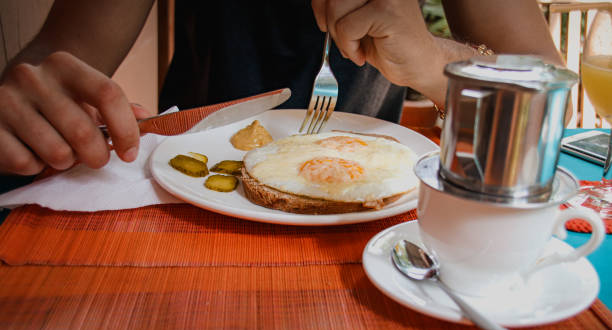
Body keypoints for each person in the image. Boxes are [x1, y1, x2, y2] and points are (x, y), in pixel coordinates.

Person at [0, 0, 564, 177]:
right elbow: (56, 59)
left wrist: (437, 61)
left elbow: (546, 91)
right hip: (188, 193)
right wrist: (24, 109)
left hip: (374, 227)